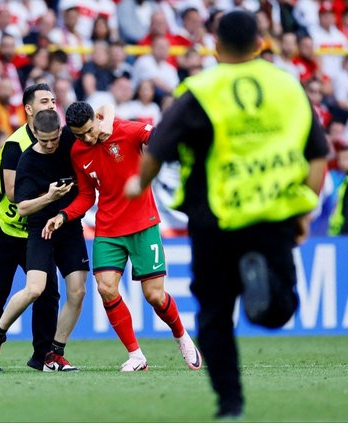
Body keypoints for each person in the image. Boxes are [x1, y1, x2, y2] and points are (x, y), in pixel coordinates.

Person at [124, 10, 329, 419]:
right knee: (281, 306)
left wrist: (139, 183)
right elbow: (319, 156)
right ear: (260, 44)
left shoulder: (200, 89)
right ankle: (266, 295)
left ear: (215, 45)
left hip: (214, 218)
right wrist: (305, 207)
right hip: (273, 216)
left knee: (215, 315)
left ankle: (230, 403)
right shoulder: (287, 86)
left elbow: (159, 147)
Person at [42, 101, 202, 373]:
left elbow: (158, 137)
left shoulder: (127, 131)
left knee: (154, 296)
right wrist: (64, 215)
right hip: (108, 228)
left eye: (89, 131)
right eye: (79, 135)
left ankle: (182, 336)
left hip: (143, 224)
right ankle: (136, 355)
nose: (86, 138)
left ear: (97, 119)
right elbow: (85, 195)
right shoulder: (79, 151)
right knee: (105, 288)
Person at [0, 109, 88, 372]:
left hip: (69, 225)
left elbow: (103, 117)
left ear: (60, 131)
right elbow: (24, 207)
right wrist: (50, 197)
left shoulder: (68, 142)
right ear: (35, 133)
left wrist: (63, 212)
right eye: (45, 140)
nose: (51, 145)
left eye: (54, 139)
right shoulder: (27, 160)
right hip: (41, 229)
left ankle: (53, 354)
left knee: (78, 290)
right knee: (35, 289)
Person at [0, 83, 60, 373]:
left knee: (47, 293)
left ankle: (43, 355)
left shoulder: (56, 140)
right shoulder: (15, 145)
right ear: (29, 109)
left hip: (33, 229)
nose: (51, 105)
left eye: (54, 100)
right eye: (44, 101)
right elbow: (12, 193)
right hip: (1, 228)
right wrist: (51, 194)